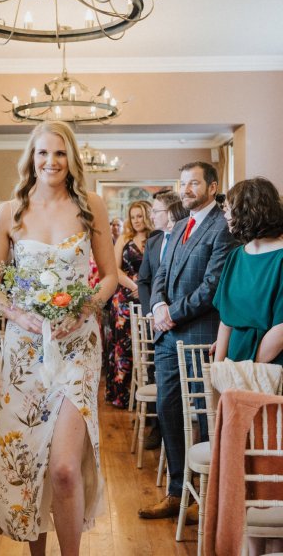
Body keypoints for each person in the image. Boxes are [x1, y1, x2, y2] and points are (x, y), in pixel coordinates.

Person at [0, 120, 117, 556]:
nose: (51, 161)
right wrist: (20, 316)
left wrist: (83, 309)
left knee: (62, 466)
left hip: (78, 344)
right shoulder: (10, 211)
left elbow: (110, 276)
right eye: (43, 153)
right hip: (25, 349)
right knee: (30, 460)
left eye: (60, 153)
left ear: (71, 158)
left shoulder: (91, 205)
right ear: (31, 157)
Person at [138, 161, 235, 520]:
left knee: (206, 416)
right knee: (168, 412)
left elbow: (212, 287)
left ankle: (211, 499)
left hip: (199, 336)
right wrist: (159, 304)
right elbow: (160, 273)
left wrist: (172, 313)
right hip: (167, 339)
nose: (186, 190)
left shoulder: (222, 229)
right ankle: (179, 493)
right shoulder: (178, 226)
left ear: (212, 187)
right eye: (183, 184)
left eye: (194, 183)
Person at [214, 177, 283, 364]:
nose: (225, 216)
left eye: (229, 209)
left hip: (270, 369)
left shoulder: (280, 260)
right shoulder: (235, 257)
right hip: (234, 366)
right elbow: (226, 320)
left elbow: (281, 330)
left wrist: (248, 369)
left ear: (249, 211)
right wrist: (219, 368)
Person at [136, 191, 181, 449]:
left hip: (179, 316)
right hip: (156, 317)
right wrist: (151, 309)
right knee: (157, 373)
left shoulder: (183, 237)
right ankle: (157, 429)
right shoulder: (153, 242)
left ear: (171, 213)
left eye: (156, 211)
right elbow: (145, 280)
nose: (151, 215)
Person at [106, 200, 153, 409]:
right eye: (133, 216)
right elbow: (115, 269)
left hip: (150, 294)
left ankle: (145, 393)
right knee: (123, 345)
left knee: (147, 345)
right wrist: (134, 286)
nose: (136, 220)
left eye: (140, 216)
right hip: (125, 295)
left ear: (147, 216)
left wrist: (144, 289)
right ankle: (121, 395)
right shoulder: (124, 239)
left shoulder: (156, 237)